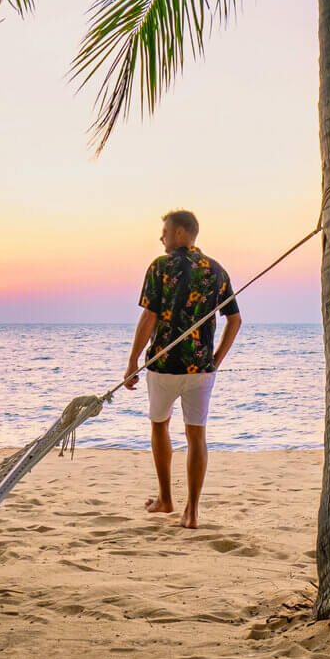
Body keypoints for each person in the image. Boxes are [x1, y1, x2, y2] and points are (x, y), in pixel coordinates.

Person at [123, 209, 241, 529]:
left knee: (160, 425)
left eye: (164, 231)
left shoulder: (160, 266)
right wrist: (216, 358)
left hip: (163, 364)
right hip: (201, 368)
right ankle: (191, 511)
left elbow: (149, 318)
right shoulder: (216, 270)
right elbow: (235, 319)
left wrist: (133, 361)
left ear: (180, 233)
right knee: (196, 435)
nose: (160, 238)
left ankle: (165, 499)